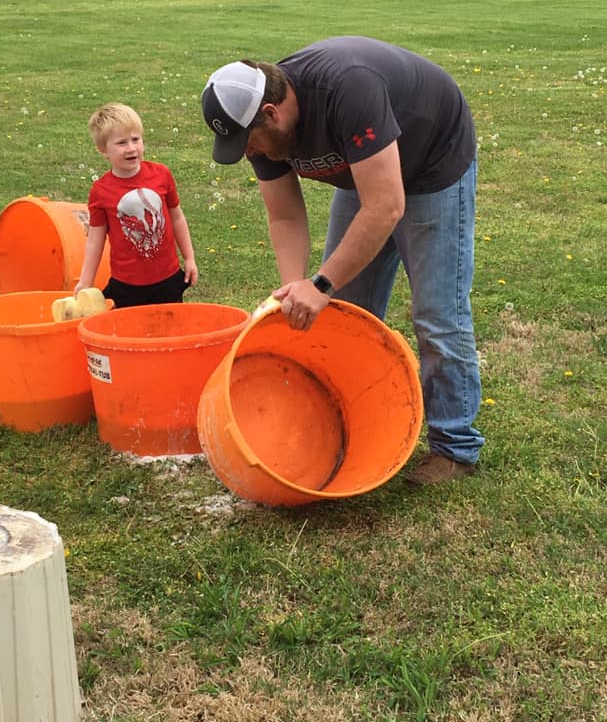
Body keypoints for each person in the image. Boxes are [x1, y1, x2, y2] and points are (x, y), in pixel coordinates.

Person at [201, 36, 484, 485]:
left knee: (437, 314)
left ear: (271, 114)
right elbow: (285, 213)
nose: (248, 153)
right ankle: (357, 420)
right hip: (367, 174)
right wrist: (296, 288)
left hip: (433, 164)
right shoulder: (264, 132)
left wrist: (322, 283)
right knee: (346, 310)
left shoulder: (347, 88)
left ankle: (455, 448)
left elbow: (387, 205)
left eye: (248, 142)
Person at [75, 102, 198, 307]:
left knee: (169, 332)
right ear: (103, 150)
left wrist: (189, 258)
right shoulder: (101, 191)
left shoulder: (161, 175)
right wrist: (86, 281)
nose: (131, 148)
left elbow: (176, 217)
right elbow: (95, 241)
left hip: (167, 278)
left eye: (135, 139)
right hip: (127, 284)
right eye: (121, 142)